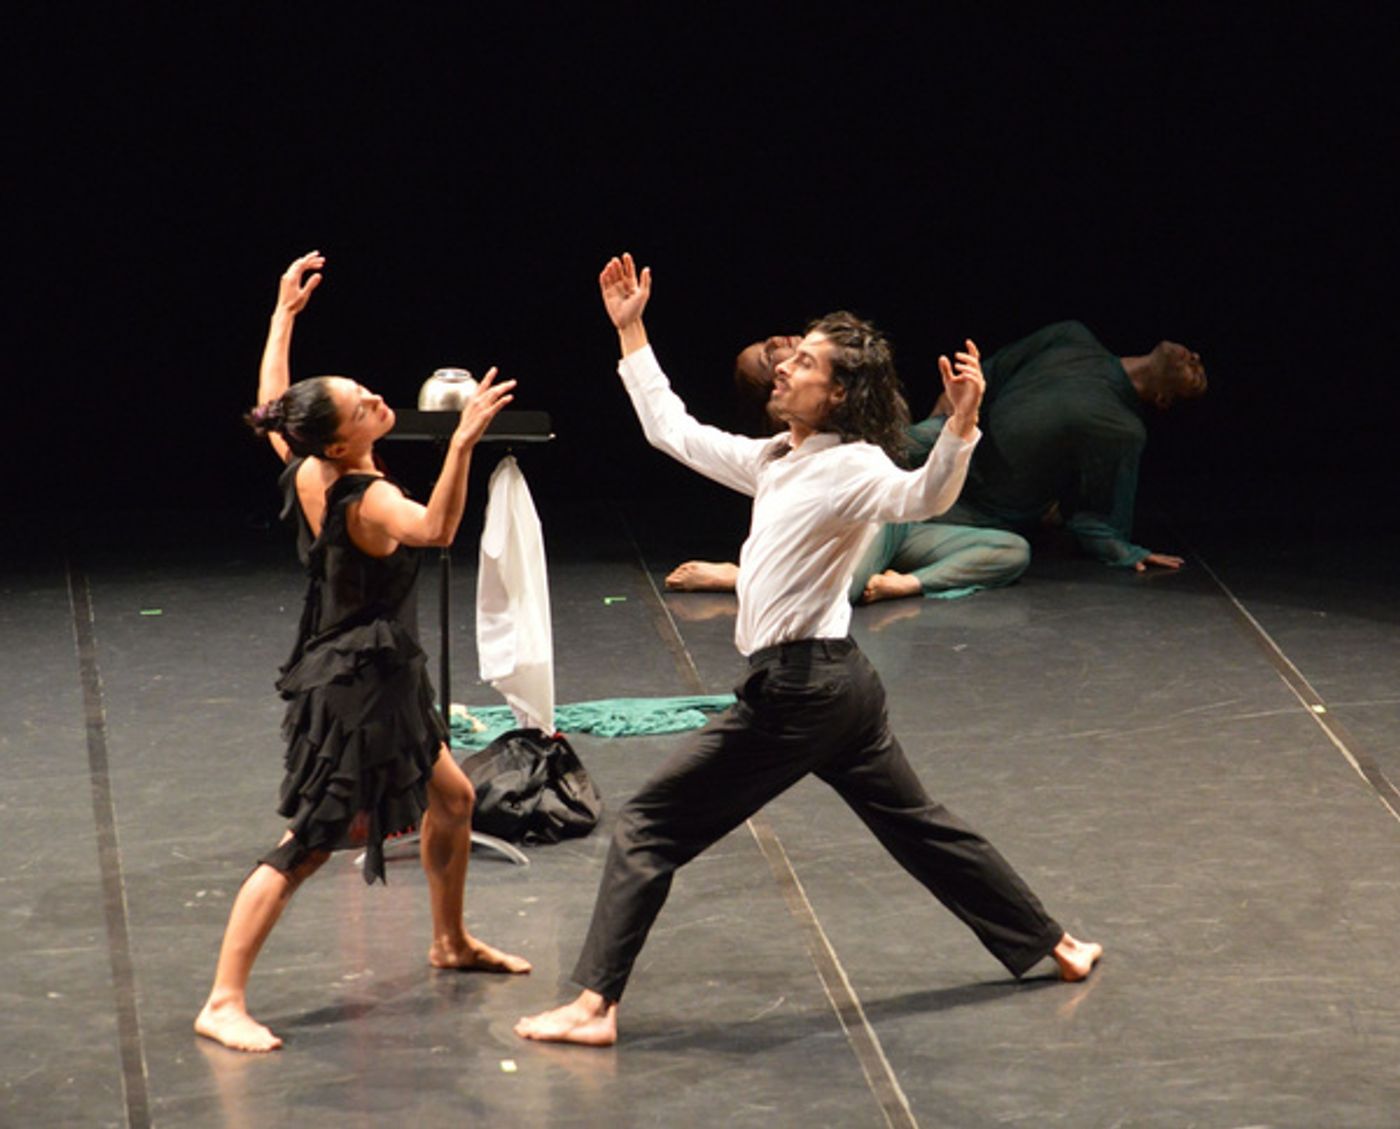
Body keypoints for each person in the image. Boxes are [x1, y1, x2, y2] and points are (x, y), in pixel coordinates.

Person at [514, 254, 1100, 1047]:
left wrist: (962, 425)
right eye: (792, 356)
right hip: (840, 688)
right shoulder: (776, 461)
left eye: (807, 363)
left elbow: (923, 495)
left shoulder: (854, 466)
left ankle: (593, 1006)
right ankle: (1056, 944)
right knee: (919, 825)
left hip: (799, 694)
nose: (785, 366)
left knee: (648, 823)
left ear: (841, 394)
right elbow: (671, 429)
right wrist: (632, 331)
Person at [195, 251, 530, 1053]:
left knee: (454, 799)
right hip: (357, 689)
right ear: (344, 442)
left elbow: (275, 404)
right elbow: (438, 529)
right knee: (310, 842)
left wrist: (282, 315)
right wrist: (463, 443)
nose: (378, 399)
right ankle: (222, 999)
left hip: (380, 671)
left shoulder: (308, 462)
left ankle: (449, 939)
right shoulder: (370, 497)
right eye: (361, 405)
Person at [736, 321, 1206, 574]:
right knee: (874, 449)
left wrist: (1124, 551)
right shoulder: (1071, 337)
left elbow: (1101, 511)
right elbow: (991, 370)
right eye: (769, 357)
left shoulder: (1122, 429)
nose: (1195, 358)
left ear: (1164, 401)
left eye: (1197, 373)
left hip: (980, 505)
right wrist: (950, 414)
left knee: (912, 517)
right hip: (945, 441)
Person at [669, 334, 1031, 603]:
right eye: (767, 356)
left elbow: (912, 470)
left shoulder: (844, 377)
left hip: (899, 517)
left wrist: (958, 419)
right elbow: (899, 449)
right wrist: (948, 421)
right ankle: (744, 577)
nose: (777, 342)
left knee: (1011, 551)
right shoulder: (803, 426)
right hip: (869, 518)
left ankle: (907, 584)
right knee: (838, 587)